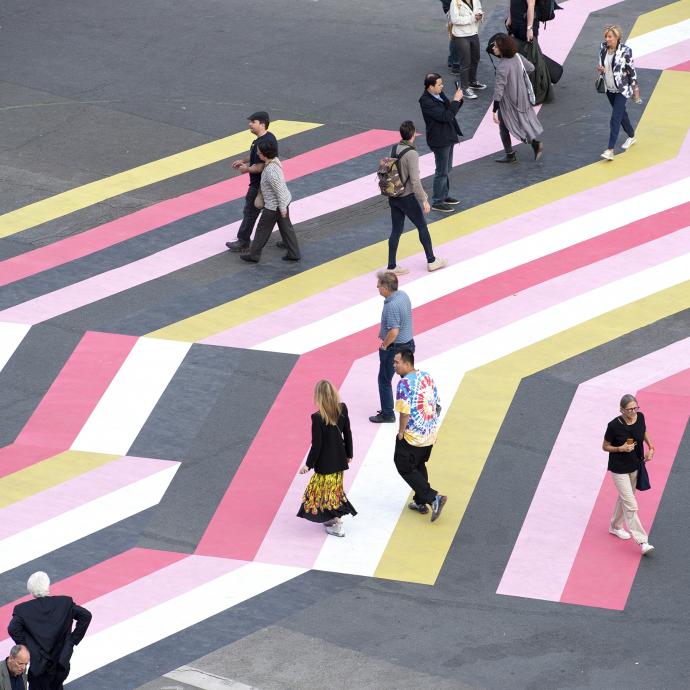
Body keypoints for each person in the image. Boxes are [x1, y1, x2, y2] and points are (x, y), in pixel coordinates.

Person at [7, 571, 92, 690]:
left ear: (30, 589)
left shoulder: (23, 610)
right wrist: (72, 641)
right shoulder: (64, 603)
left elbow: (13, 629)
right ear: (47, 585)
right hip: (61, 663)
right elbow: (86, 616)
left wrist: (27, 648)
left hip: (38, 667)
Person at [386, 121, 448, 276]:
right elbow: (415, 181)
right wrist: (424, 199)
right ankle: (432, 260)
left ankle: (392, 266)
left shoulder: (394, 148)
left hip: (393, 196)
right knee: (422, 226)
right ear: (413, 134)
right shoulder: (412, 153)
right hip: (407, 197)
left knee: (396, 231)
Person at [298, 380, 357, 537]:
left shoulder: (317, 418)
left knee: (328, 493)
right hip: (340, 460)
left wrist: (308, 465)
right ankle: (332, 518)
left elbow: (317, 445)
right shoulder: (342, 408)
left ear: (318, 396)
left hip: (325, 464)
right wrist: (349, 453)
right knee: (333, 491)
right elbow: (348, 432)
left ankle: (338, 525)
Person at [393, 350, 447, 521]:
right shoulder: (426, 376)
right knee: (418, 464)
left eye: (397, 362)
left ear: (407, 364)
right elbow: (436, 402)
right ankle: (420, 501)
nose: (394, 365)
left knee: (403, 465)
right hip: (429, 433)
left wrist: (401, 432)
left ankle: (433, 497)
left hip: (412, 436)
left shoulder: (404, 384)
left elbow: (404, 412)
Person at [602, 394, 656, 556]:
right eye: (629, 409)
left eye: (635, 407)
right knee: (631, 504)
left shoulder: (640, 417)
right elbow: (605, 446)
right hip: (619, 469)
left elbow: (644, 431)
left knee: (624, 498)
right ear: (621, 410)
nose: (633, 411)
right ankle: (642, 541)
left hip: (635, 465)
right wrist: (620, 448)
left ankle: (615, 526)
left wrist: (651, 448)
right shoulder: (613, 426)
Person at [239, 139, 301, 263]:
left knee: (262, 229)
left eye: (259, 152)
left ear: (265, 154)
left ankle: (254, 255)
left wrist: (282, 209)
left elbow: (279, 190)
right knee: (286, 228)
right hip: (281, 204)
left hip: (274, 206)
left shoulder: (271, 171)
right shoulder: (275, 162)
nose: (257, 154)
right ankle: (294, 253)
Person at [226, 111, 278, 252]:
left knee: (250, 212)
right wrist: (243, 160)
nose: (250, 124)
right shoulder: (263, 139)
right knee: (278, 212)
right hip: (267, 184)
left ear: (262, 124)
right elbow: (256, 155)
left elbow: (261, 166)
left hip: (260, 185)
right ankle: (288, 239)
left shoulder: (265, 141)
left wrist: (246, 169)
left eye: (253, 122)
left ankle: (243, 241)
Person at [489, 34, 544, 163]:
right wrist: (518, 78)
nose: (493, 48)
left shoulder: (502, 67)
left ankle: (510, 154)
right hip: (523, 96)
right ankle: (534, 144)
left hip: (509, 101)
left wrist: (494, 109)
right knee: (523, 121)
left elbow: (499, 90)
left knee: (504, 128)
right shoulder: (518, 57)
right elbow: (531, 68)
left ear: (502, 49)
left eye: (496, 46)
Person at [369, 271, 414, 424]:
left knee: (384, 380)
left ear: (387, 288)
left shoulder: (391, 305)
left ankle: (388, 413)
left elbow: (394, 331)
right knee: (410, 379)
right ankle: (431, 404)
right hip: (408, 344)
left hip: (395, 349)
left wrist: (384, 345)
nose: (377, 287)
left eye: (379, 285)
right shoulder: (403, 295)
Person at [419, 74, 464, 213]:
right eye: (439, 84)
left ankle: (444, 195)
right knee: (441, 171)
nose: (442, 86)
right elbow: (445, 116)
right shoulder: (426, 101)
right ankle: (438, 201)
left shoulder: (439, 94)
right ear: (430, 86)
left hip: (448, 135)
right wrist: (456, 101)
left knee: (447, 169)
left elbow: (450, 109)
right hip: (439, 139)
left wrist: (458, 101)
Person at [597, 25, 639, 161]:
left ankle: (610, 150)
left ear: (617, 38)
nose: (607, 39)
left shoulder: (626, 51)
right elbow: (602, 64)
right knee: (622, 115)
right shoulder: (603, 48)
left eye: (610, 37)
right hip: (609, 88)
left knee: (615, 118)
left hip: (622, 90)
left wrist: (635, 90)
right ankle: (632, 136)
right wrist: (600, 69)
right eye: (606, 36)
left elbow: (631, 71)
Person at [449, 0, 487, 100]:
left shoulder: (476, 0)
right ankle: (464, 88)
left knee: (475, 58)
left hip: (473, 33)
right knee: (465, 62)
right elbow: (455, 19)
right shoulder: (455, 2)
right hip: (461, 35)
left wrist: (480, 15)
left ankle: (472, 82)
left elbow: (479, 10)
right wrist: (473, 18)